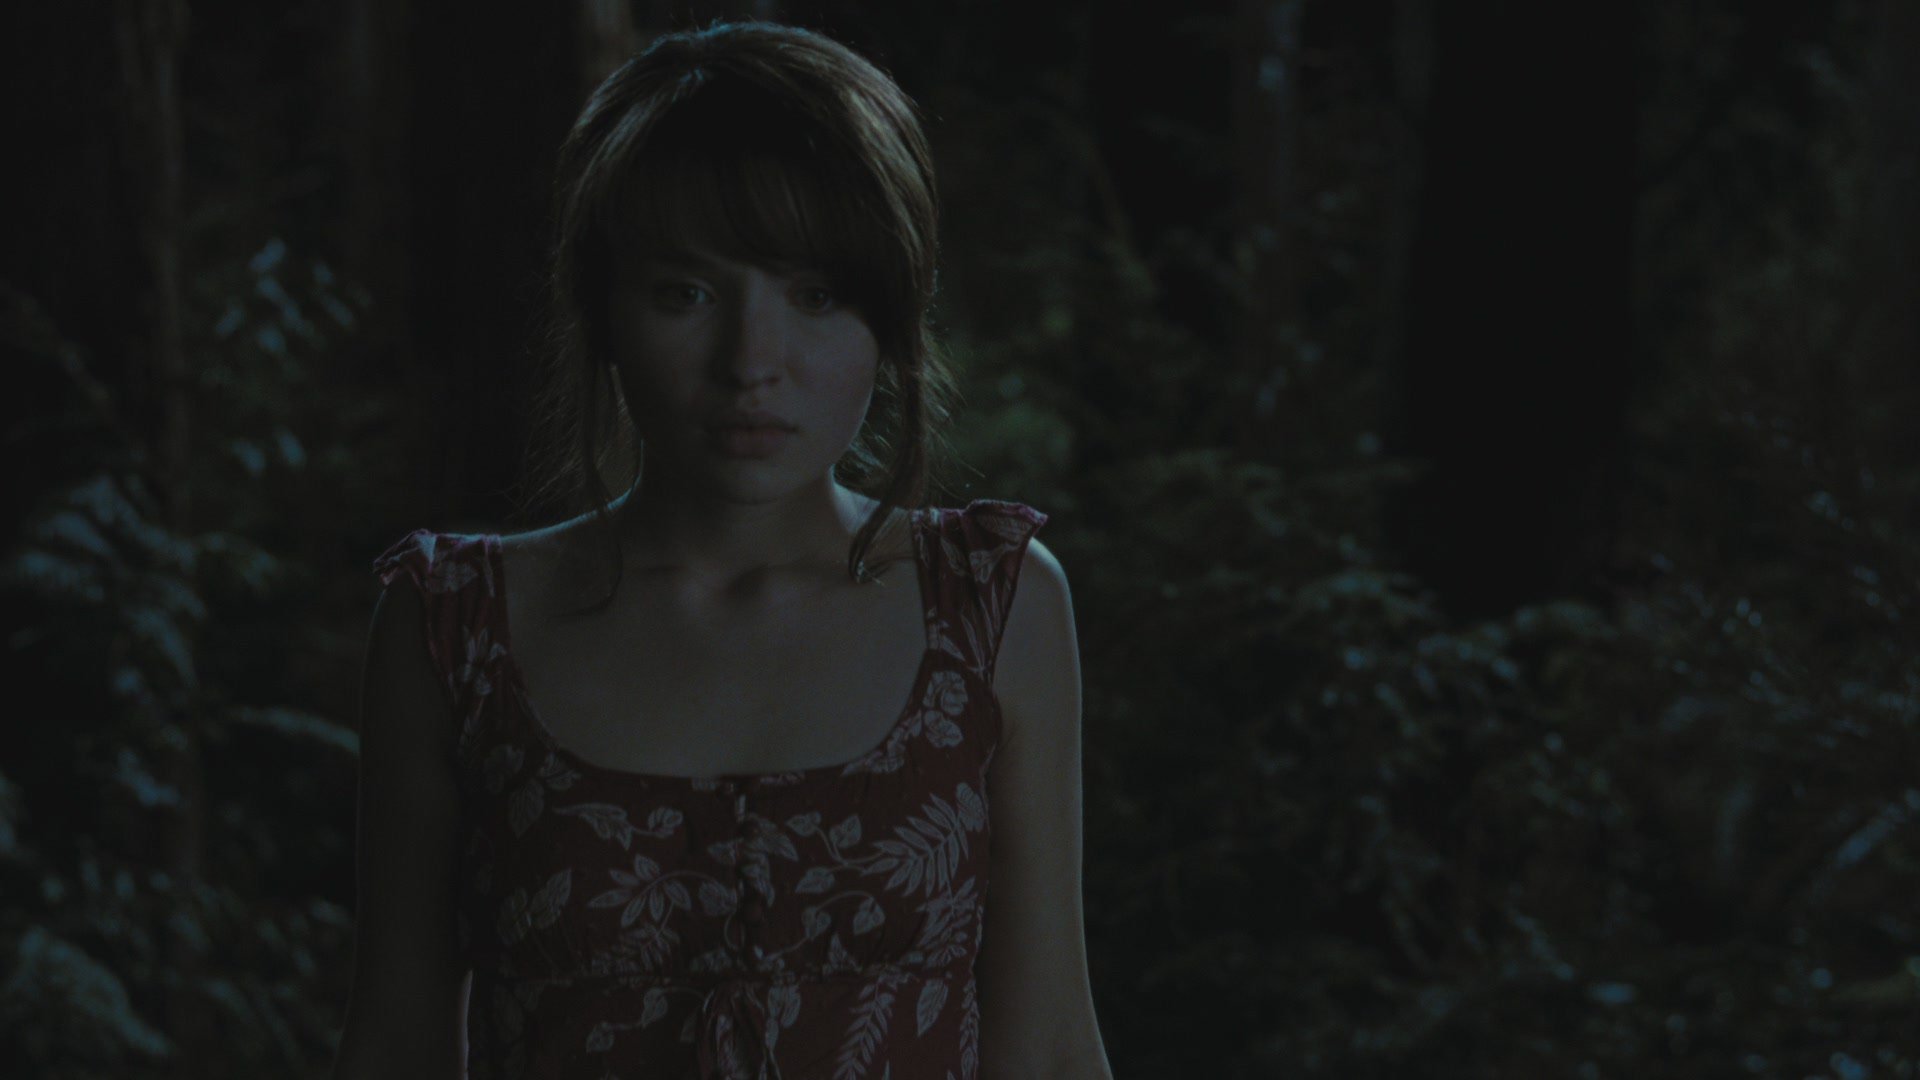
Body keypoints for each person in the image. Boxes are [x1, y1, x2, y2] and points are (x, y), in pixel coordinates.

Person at [330, 19, 1112, 1079]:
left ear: (892, 318)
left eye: (816, 296)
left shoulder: (992, 605)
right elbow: (394, 1047)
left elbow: (1053, 1046)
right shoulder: (454, 626)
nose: (752, 361)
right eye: (686, 293)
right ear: (604, 313)